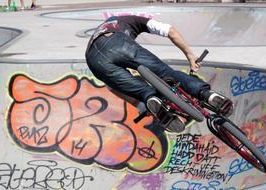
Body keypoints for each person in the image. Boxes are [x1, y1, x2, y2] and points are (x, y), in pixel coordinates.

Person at [85, 15, 233, 129]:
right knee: (165, 73)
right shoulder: (131, 20)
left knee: (145, 93)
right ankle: (208, 95)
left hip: (94, 62)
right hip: (117, 43)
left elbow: (112, 87)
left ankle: (151, 100)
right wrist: (190, 56)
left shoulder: (106, 28)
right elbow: (170, 31)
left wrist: (139, 104)